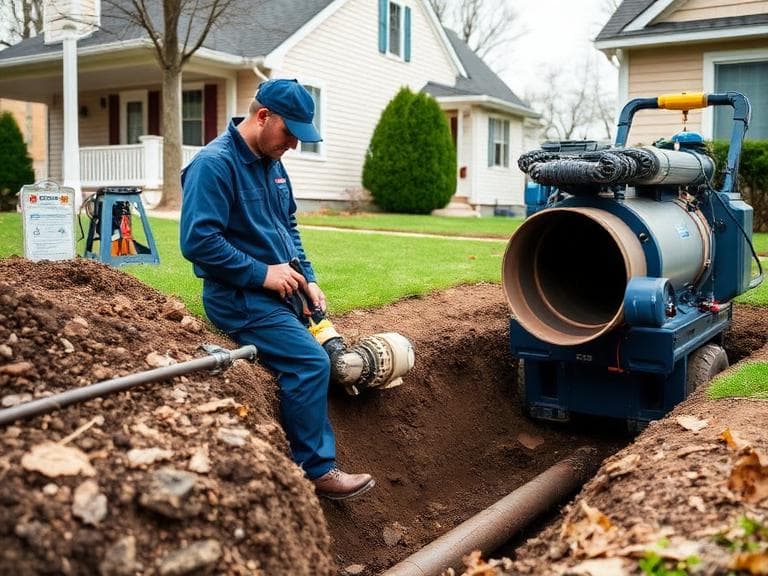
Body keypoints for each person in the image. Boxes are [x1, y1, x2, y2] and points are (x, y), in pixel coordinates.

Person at [180, 78, 375, 500]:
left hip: (279, 289)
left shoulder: (273, 162)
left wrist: (308, 275)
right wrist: (261, 274)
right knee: (309, 364)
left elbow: (288, 228)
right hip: (239, 297)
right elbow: (198, 243)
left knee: (329, 349)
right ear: (263, 116)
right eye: (290, 133)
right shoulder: (213, 165)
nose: (294, 145)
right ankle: (315, 471)